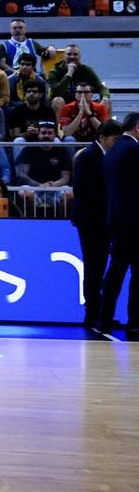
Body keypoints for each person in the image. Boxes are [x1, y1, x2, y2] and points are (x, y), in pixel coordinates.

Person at [71, 120, 120, 329]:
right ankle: (91, 314)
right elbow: (80, 190)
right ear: (102, 137)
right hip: (90, 221)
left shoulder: (108, 156)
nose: (116, 144)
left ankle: (100, 313)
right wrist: (111, 197)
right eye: (114, 140)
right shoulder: (88, 156)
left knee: (99, 267)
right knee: (93, 267)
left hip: (104, 220)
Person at [100, 112, 139, 336]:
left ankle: (104, 318)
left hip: (116, 218)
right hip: (134, 220)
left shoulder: (112, 151)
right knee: (137, 272)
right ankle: (135, 322)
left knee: (116, 270)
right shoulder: (133, 150)